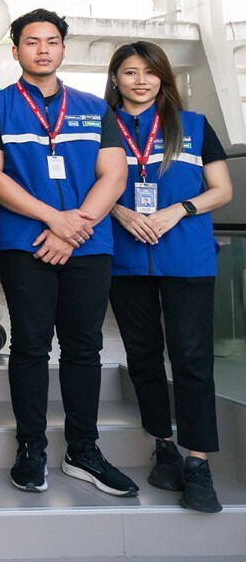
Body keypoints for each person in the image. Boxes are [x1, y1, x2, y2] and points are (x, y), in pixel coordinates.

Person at [0, 9, 137, 497]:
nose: (42, 49)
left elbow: (115, 175)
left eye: (51, 41)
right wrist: (54, 220)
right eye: (31, 42)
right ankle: (32, 449)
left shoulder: (93, 107)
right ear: (16, 50)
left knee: (84, 345)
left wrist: (74, 227)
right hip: (26, 245)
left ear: (63, 49)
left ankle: (83, 451)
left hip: (88, 244)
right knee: (29, 344)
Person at [104, 41, 232, 513]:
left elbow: (222, 190)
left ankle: (198, 463)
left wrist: (179, 210)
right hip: (124, 257)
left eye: (150, 71)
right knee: (142, 356)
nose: (140, 80)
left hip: (188, 258)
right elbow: (87, 185)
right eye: (130, 71)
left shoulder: (194, 127)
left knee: (192, 357)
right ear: (115, 78)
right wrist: (117, 211)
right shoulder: (101, 125)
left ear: (163, 78)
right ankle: (163, 446)